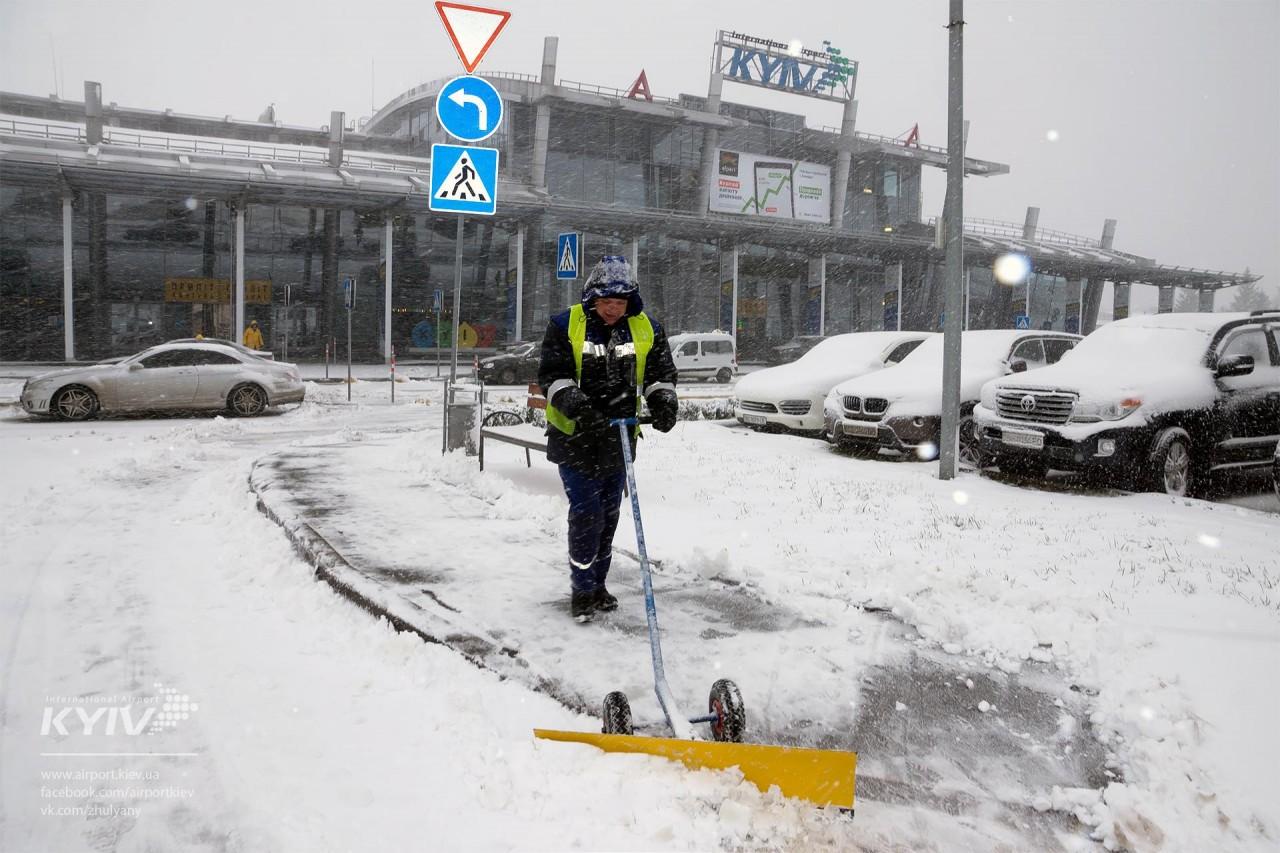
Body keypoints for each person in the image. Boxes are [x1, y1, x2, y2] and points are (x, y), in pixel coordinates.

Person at [539, 255, 679, 623]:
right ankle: (582, 589)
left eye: (620, 303)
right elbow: (553, 375)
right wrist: (580, 407)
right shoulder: (565, 324)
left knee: (609, 517)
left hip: (620, 438)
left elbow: (660, 373)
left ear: (630, 301)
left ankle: (598, 585)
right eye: (606, 302)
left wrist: (663, 400)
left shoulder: (647, 328)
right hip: (576, 438)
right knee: (587, 515)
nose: (613, 309)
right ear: (592, 299)